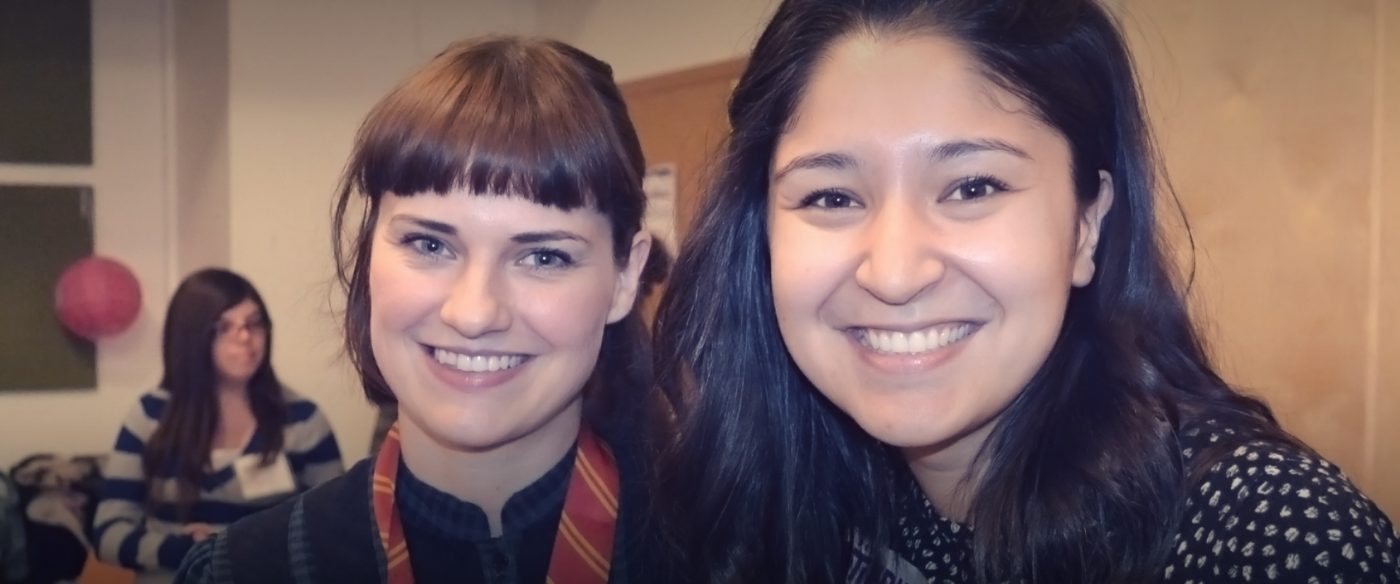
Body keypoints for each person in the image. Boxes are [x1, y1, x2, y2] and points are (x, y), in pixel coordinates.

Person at [653, 0, 1400, 582]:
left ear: (1085, 226)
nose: (894, 272)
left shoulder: (1263, 534)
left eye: (973, 185)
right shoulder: (768, 489)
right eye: (830, 197)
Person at [177, 35, 665, 583]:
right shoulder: (244, 572)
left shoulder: (735, 553)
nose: (474, 314)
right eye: (430, 245)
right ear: (368, 251)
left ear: (626, 276)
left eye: (543, 256)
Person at [94, 268, 343, 583]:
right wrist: (182, 549)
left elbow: (336, 530)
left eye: (254, 324)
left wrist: (231, 550)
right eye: (224, 327)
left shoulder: (302, 419)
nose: (245, 337)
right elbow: (107, 535)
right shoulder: (151, 415)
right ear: (191, 337)